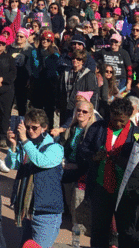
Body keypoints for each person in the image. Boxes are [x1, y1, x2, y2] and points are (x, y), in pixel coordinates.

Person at [78, 97, 139, 248]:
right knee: (99, 230)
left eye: (121, 120)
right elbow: (83, 149)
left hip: (125, 192)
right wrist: (93, 156)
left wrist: (122, 161)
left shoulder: (136, 133)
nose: (117, 123)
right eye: (114, 118)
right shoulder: (98, 128)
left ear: (129, 116)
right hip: (101, 187)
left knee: (127, 232)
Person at [5, 109, 64, 248]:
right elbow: (11, 164)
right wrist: (13, 146)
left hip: (46, 213)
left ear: (44, 127)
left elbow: (40, 160)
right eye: (27, 127)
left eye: (34, 127)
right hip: (26, 210)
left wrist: (24, 140)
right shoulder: (27, 145)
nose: (30, 131)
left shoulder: (55, 148)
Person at [50, 99, 97, 244]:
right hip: (68, 165)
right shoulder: (72, 128)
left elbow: (91, 155)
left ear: (90, 114)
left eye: (84, 112)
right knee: (69, 202)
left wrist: (76, 166)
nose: (81, 113)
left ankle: (76, 233)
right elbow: (64, 146)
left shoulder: (92, 131)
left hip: (82, 170)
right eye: (78, 111)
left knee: (76, 200)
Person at [58, 50, 98, 120]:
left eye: (78, 59)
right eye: (73, 58)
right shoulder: (66, 72)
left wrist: (92, 110)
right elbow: (60, 90)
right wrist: (58, 105)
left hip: (80, 110)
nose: (75, 60)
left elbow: (93, 94)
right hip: (65, 108)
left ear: (83, 61)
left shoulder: (88, 74)